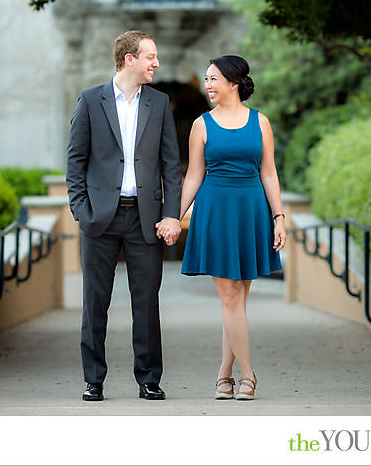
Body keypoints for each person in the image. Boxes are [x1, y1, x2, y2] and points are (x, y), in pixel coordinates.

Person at [66, 30, 182, 402]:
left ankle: (149, 379)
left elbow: (170, 166)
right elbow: (75, 161)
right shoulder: (90, 101)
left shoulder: (159, 103)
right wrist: (81, 211)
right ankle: (93, 379)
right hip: (99, 218)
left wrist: (170, 216)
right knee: (95, 301)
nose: (157, 63)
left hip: (145, 219)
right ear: (129, 59)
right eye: (151, 56)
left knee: (146, 303)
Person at [174, 55, 286, 400]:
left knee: (236, 301)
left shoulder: (261, 122)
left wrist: (279, 217)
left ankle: (224, 375)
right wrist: (174, 216)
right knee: (230, 296)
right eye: (206, 79)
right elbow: (194, 174)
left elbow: (268, 172)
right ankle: (248, 376)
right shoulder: (201, 125)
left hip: (252, 211)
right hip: (215, 212)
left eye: (213, 79)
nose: (207, 85)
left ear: (233, 82)